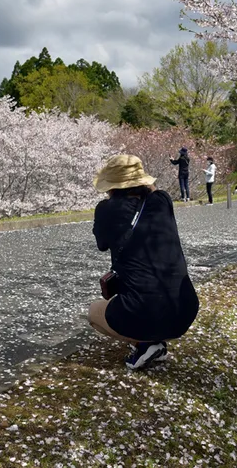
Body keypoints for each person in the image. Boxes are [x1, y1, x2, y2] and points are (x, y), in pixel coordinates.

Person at [88, 154, 200, 371]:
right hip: (185, 309)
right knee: (148, 298)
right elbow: (154, 191)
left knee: (94, 312)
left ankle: (145, 345)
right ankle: (153, 342)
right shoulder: (162, 201)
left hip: (142, 311)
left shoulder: (106, 210)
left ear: (111, 185)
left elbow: (102, 244)